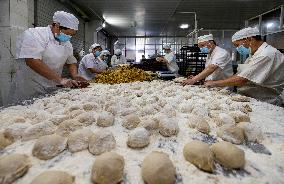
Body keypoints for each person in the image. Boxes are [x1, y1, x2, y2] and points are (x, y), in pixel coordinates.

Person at [11, 11, 86, 103]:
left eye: (72, 35)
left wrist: (75, 75)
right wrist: (60, 79)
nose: (69, 37)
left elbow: (70, 62)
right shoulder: (35, 34)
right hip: (30, 87)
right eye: (67, 33)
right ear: (57, 26)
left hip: (51, 87)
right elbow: (32, 61)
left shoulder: (67, 44)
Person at [204, 27, 284, 106]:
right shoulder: (254, 55)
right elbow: (240, 74)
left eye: (237, 45)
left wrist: (214, 83)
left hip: (266, 101)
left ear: (250, 39)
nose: (237, 49)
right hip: (253, 98)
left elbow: (242, 79)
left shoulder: (266, 55)